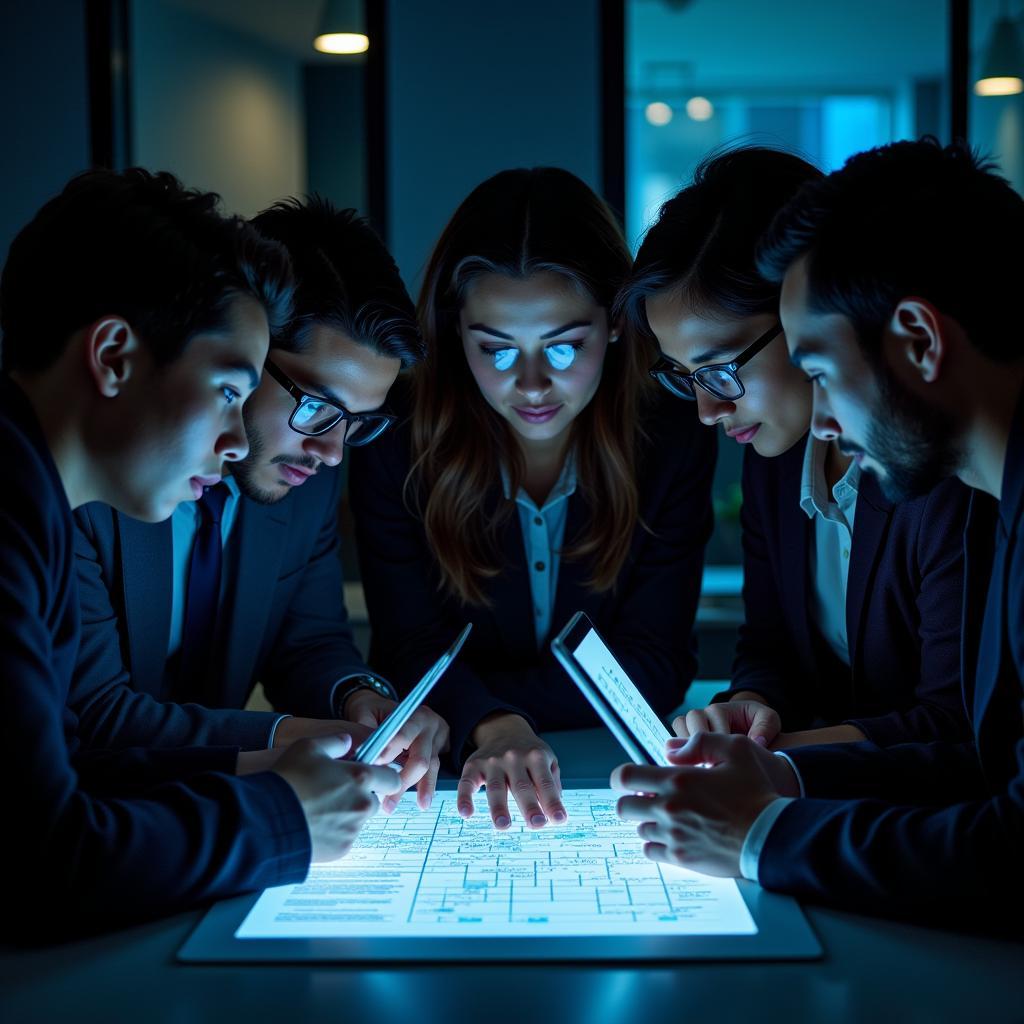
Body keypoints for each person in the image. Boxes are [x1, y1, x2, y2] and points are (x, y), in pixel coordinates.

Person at [613, 138, 1023, 929]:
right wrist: (759, 722)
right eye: (684, 379)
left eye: (816, 363)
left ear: (916, 340)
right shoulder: (788, 456)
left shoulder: (959, 478)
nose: (824, 421)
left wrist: (764, 815)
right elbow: (772, 642)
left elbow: (981, 771)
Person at [0, 168, 400, 938]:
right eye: (227, 391)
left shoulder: (35, 495)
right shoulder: (23, 508)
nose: (235, 435)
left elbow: (78, 760)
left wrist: (282, 762)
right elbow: (41, 860)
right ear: (114, 355)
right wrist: (283, 816)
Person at [350, 167, 715, 831]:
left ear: (613, 324)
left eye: (564, 345)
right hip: (451, 777)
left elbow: (656, 665)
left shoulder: (673, 434)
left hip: (605, 772)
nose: (533, 384)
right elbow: (406, 646)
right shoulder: (393, 434)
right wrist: (493, 724)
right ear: (456, 335)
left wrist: (482, 707)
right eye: (496, 349)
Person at [70, 195, 445, 810]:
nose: (331, 452)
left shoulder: (305, 475)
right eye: (318, 407)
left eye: (357, 424)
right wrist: (291, 737)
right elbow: (94, 716)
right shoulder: (97, 476)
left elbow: (309, 641)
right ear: (243, 349)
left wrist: (361, 700)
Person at [615, 147, 971, 750]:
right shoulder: (775, 466)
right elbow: (771, 645)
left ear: (806, 312)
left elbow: (956, 724)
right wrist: (750, 708)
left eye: (720, 370)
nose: (708, 412)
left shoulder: (940, 472)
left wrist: (773, 762)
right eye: (684, 377)